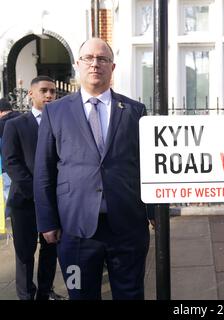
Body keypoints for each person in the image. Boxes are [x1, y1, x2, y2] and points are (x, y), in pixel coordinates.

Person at [33, 38, 153, 300]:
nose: (95, 64)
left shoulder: (135, 110)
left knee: (130, 294)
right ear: (78, 64)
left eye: (102, 59)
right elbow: (44, 172)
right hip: (75, 230)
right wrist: (47, 221)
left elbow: (147, 165)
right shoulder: (56, 112)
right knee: (80, 294)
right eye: (88, 58)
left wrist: (153, 212)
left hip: (127, 228)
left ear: (113, 66)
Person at [2, 76, 64, 300]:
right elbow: (11, 162)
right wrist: (37, 192)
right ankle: (26, 295)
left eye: (53, 92)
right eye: (44, 91)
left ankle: (46, 292)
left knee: (50, 251)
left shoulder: (60, 123)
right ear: (31, 94)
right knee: (25, 254)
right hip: (25, 202)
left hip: (54, 201)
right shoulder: (15, 125)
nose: (49, 95)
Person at [0, 98, 21, 218]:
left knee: (8, 194)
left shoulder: (2, 125)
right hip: (26, 166)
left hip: (7, 167)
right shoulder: (24, 118)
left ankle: (11, 218)